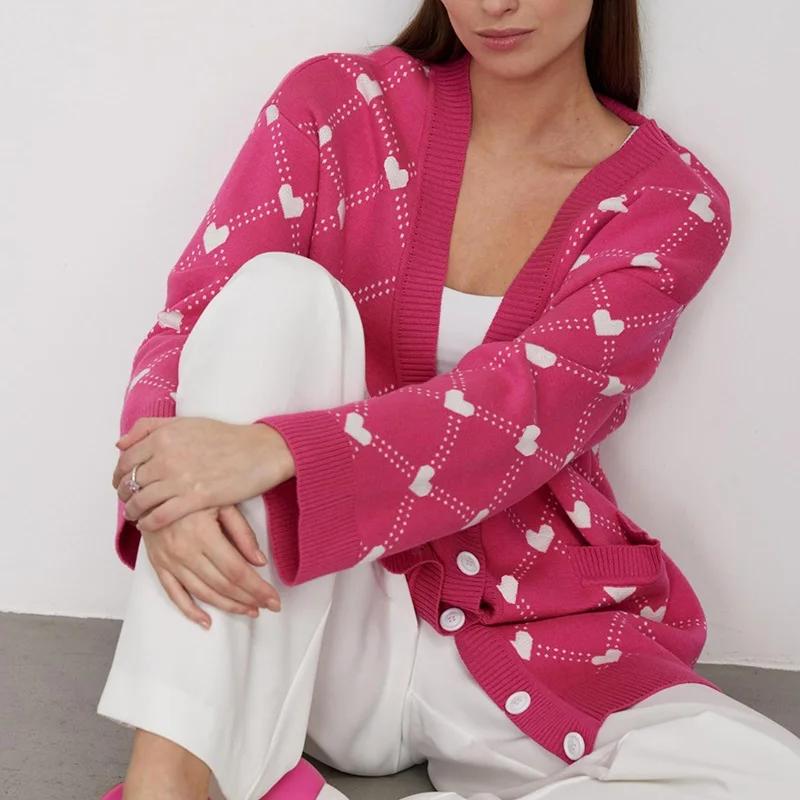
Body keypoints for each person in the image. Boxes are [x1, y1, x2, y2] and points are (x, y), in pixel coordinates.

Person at [96, 1, 800, 799]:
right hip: (292, 610)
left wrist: (281, 450)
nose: (494, 3)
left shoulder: (671, 202)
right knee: (275, 297)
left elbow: (526, 410)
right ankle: (168, 780)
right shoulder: (337, 106)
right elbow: (191, 324)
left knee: (766, 778)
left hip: (523, 622)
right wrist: (167, 493)